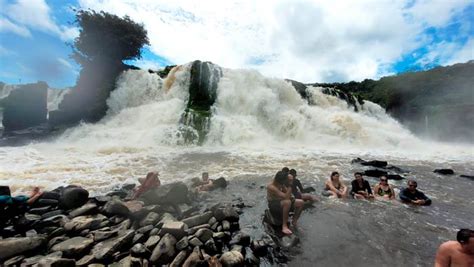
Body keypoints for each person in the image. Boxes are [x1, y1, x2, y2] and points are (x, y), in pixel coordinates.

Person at [267, 170, 304, 235]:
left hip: (281, 202)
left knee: (301, 202)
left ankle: (294, 221)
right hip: (273, 205)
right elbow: (286, 197)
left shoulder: (281, 184)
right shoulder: (271, 187)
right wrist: (290, 184)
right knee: (287, 202)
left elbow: (288, 194)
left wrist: (290, 195)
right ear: (280, 180)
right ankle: (284, 226)